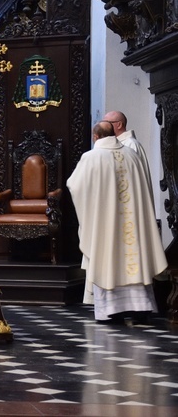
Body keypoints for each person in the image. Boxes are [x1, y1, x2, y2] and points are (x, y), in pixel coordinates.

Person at [67, 121, 167, 323]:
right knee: (135, 257)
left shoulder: (91, 157)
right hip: (134, 225)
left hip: (107, 224)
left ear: (95, 137)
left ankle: (113, 310)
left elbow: (74, 185)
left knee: (108, 259)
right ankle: (140, 308)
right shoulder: (132, 155)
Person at [103, 110, 154, 204]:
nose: (104, 127)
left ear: (119, 125)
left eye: (107, 123)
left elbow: (128, 179)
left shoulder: (130, 145)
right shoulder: (113, 144)